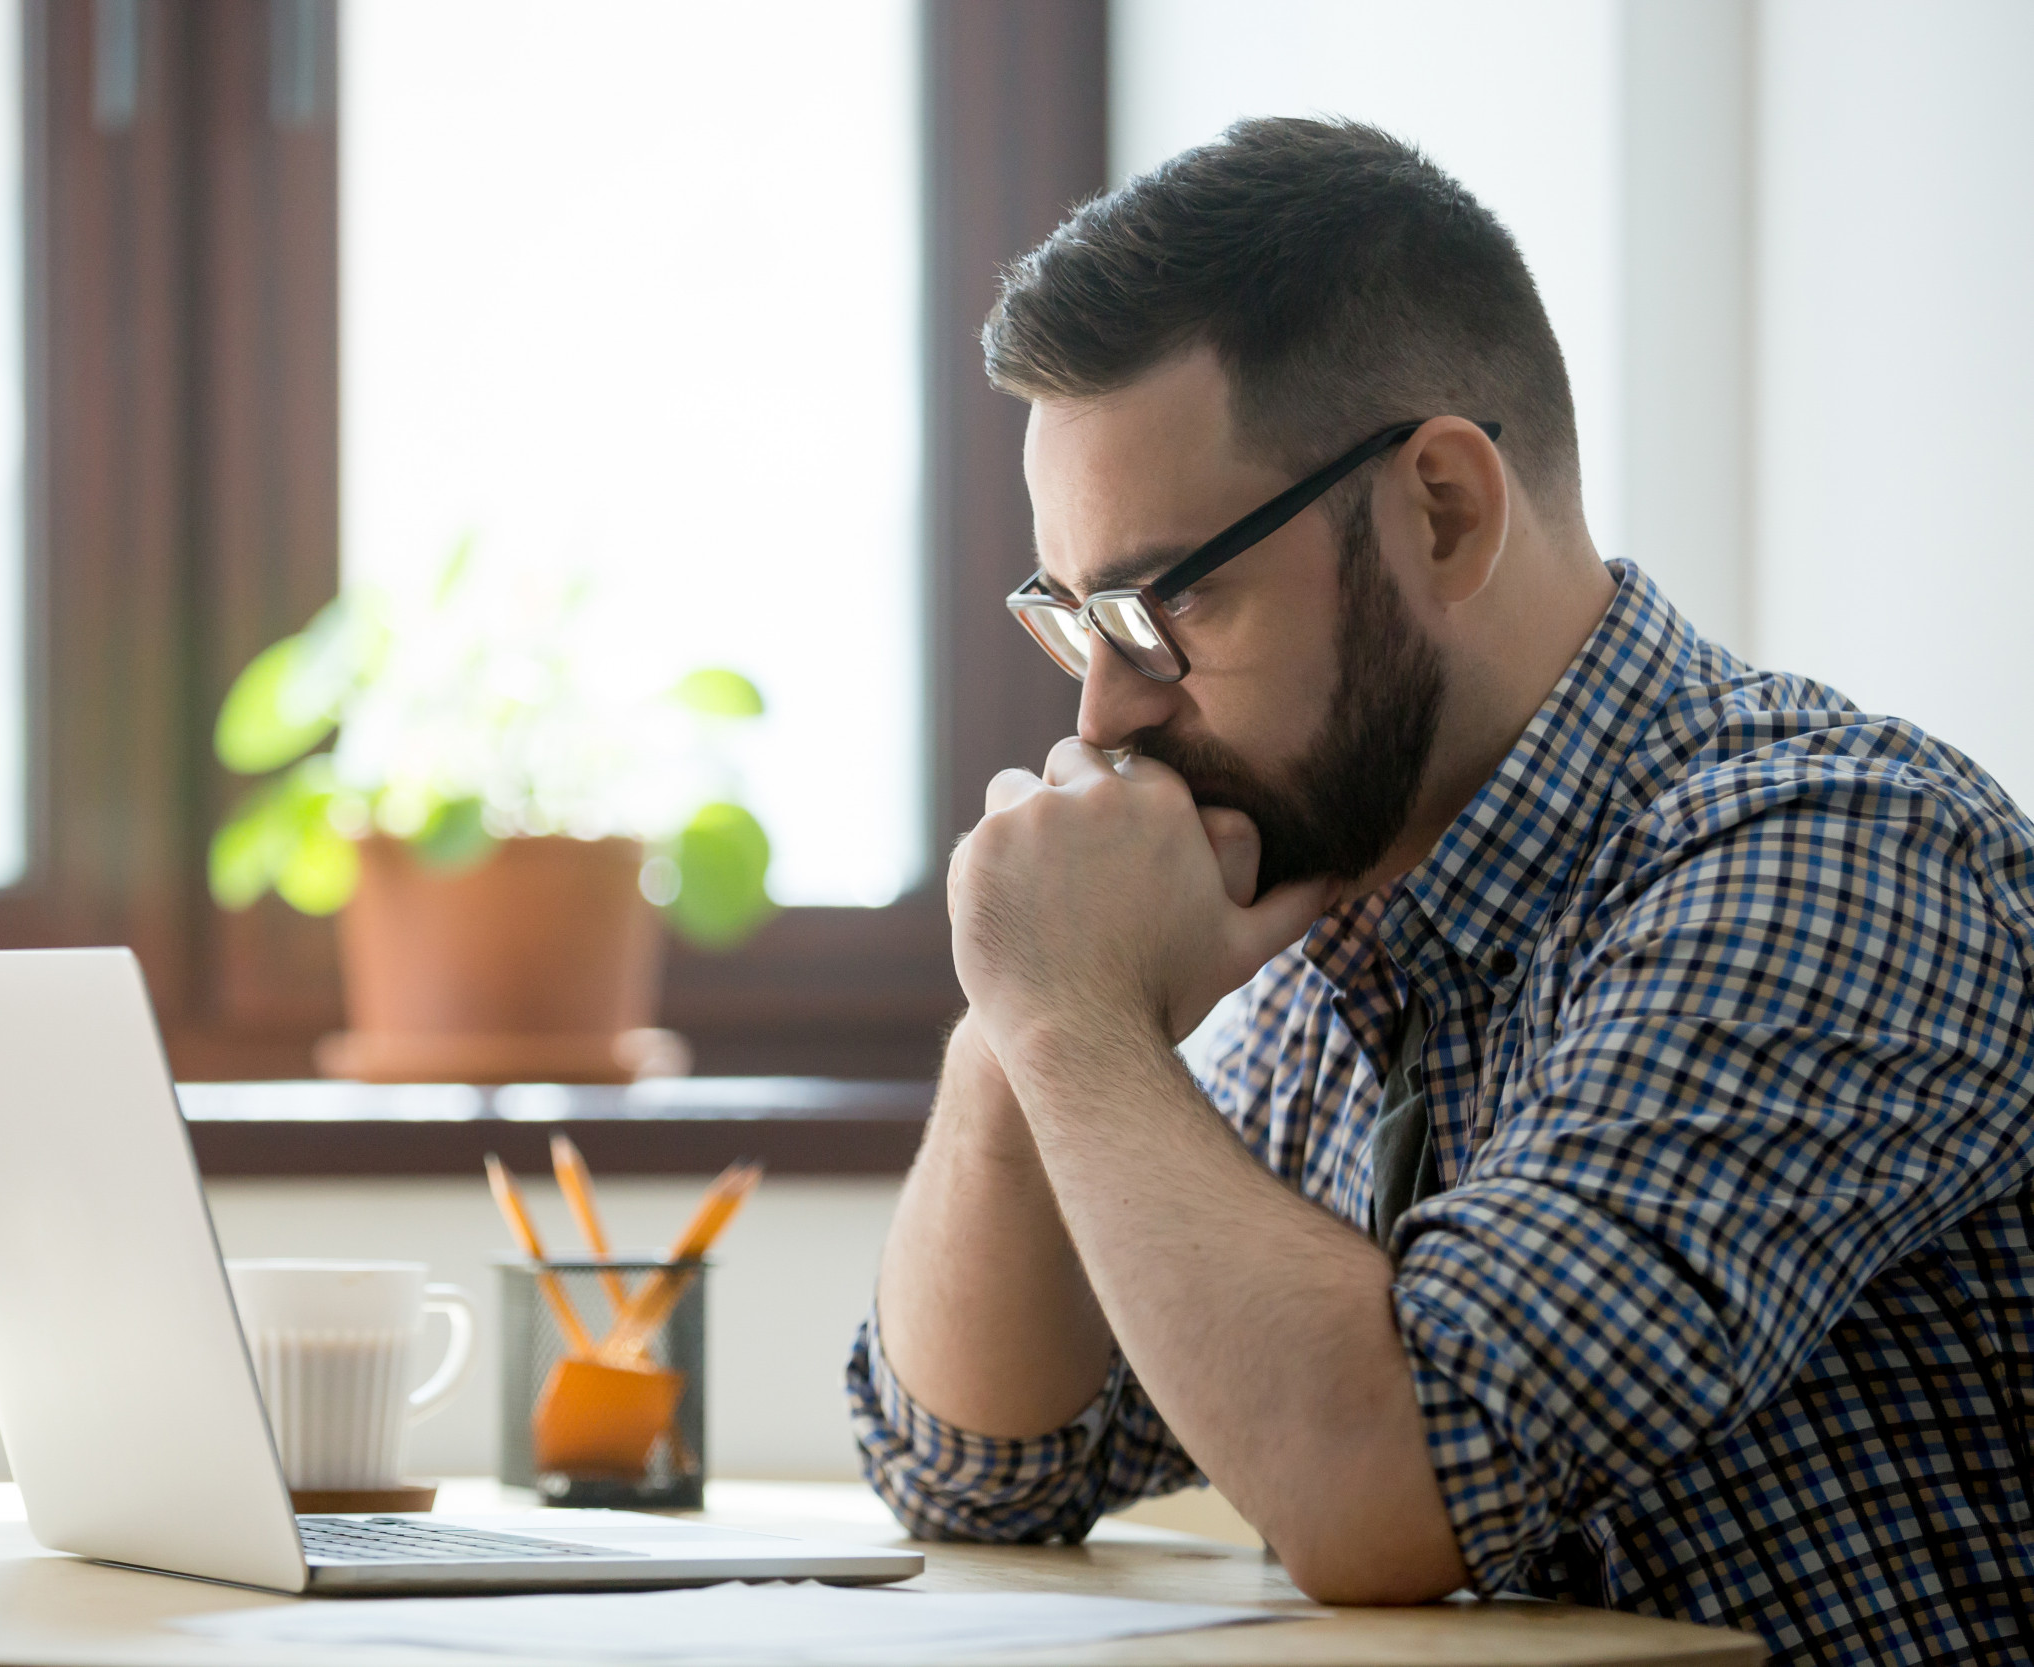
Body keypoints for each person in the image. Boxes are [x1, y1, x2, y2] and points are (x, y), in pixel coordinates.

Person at [849, 117, 2034, 1667]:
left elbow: (1397, 1489)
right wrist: (1017, 1016)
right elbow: (983, 1473)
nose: (1105, 716)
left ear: (1444, 512)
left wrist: (1076, 1019)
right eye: (1078, 620)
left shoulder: (1831, 854)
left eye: (1173, 598)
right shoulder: (1333, 928)